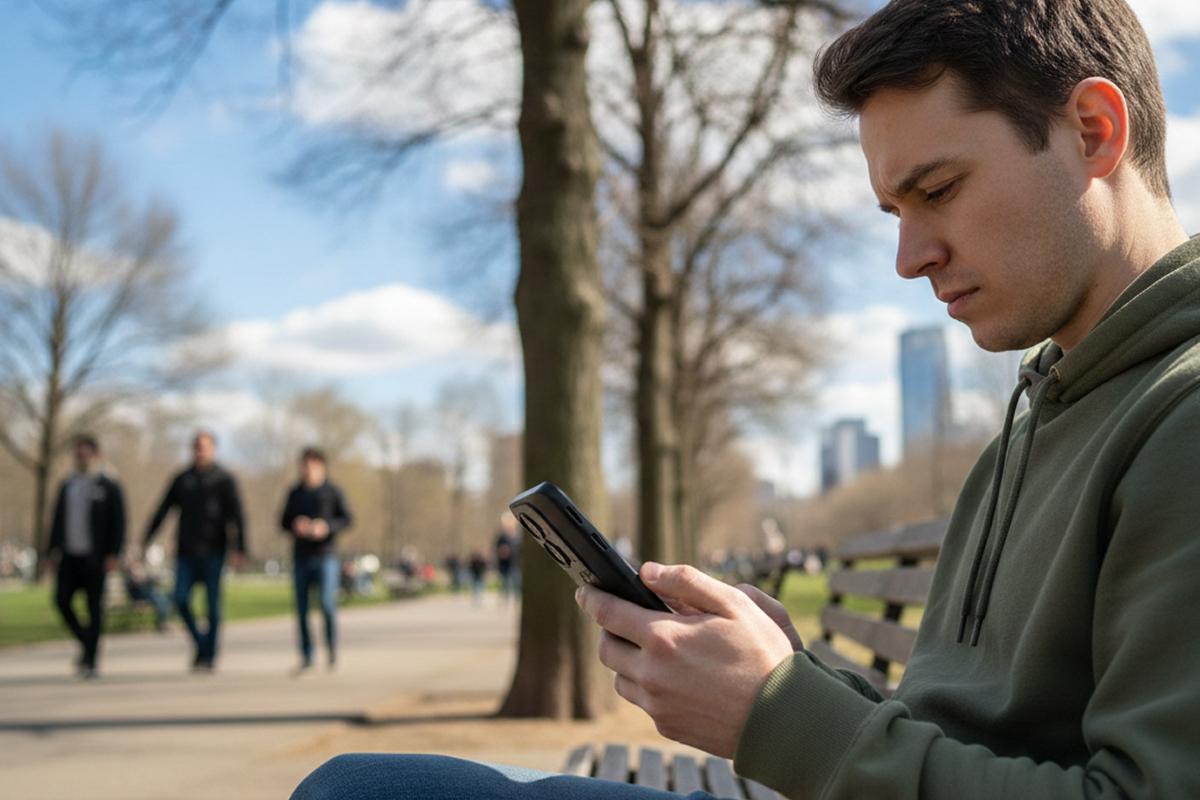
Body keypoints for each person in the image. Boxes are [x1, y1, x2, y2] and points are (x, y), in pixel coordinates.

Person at [292, 1, 1200, 797]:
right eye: (895, 212)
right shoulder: (1039, 412)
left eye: (939, 190)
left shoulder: (1180, 419)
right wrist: (788, 673)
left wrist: (780, 714)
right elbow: (958, 734)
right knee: (362, 784)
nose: (909, 255)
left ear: (1092, 129)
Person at [143, 430, 247, 672]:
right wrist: (146, 538)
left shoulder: (224, 480)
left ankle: (209, 656)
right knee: (179, 599)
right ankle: (202, 644)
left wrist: (240, 548)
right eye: (197, 447)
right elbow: (163, 509)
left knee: (213, 607)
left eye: (205, 446)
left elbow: (238, 516)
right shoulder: (182, 479)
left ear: (214, 449)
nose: (200, 451)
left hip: (214, 550)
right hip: (186, 551)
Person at [45, 434, 125, 678]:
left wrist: (113, 553)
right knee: (61, 601)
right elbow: (57, 521)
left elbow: (119, 521)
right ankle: (86, 643)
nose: (81, 457)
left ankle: (91, 659)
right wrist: (51, 551)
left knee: (94, 608)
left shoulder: (108, 485)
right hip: (70, 556)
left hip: (96, 557)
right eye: (77, 453)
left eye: (85, 452)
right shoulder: (67, 484)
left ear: (95, 454)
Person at [281, 447, 353, 671]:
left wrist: (326, 527)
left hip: (326, 556)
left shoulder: (333, 491)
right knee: (301, 609)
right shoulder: (295, 493)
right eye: (303, 466)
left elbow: (347, 519)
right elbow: (282, 522)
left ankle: (331, 649)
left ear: (321, 466)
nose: (306, 470)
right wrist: (296, 525)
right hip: (301, 556)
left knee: (326, 603)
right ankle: (307, 655)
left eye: (311, 466)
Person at [493, 511, 518, 602]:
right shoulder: (501, 537)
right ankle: (504, 599)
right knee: (505, 583)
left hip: (515, 564)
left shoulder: (516, 536)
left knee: (516, 584)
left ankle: (515, 599)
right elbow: (496, 549)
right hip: (504, 565)